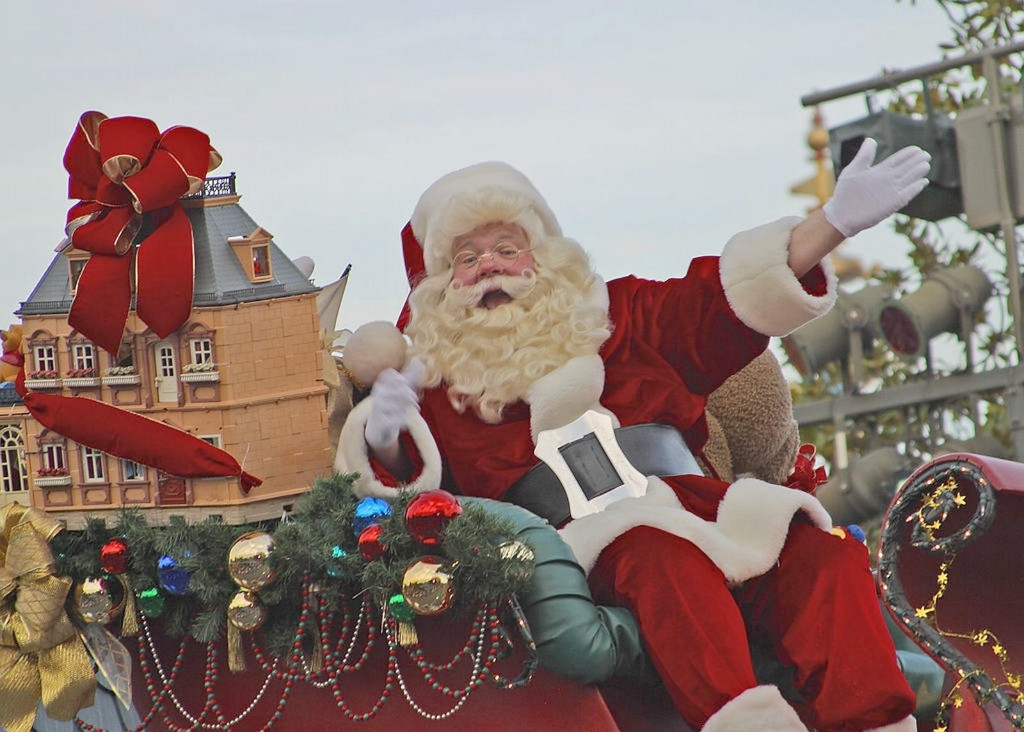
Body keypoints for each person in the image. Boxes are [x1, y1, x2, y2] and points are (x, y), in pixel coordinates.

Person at [339, 139, 930, 732]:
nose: (488, 265)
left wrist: (829, 226)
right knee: (661, 561)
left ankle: (874, 723)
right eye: (466, 258)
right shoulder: (435, 385)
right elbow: (405, 499)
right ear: (443, 284)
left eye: (505, 248)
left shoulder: (620, 316)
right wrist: (387, 437)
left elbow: (720, 302)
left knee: (820, 556)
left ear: (541, 258)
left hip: (704, 509)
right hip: (583, 549)